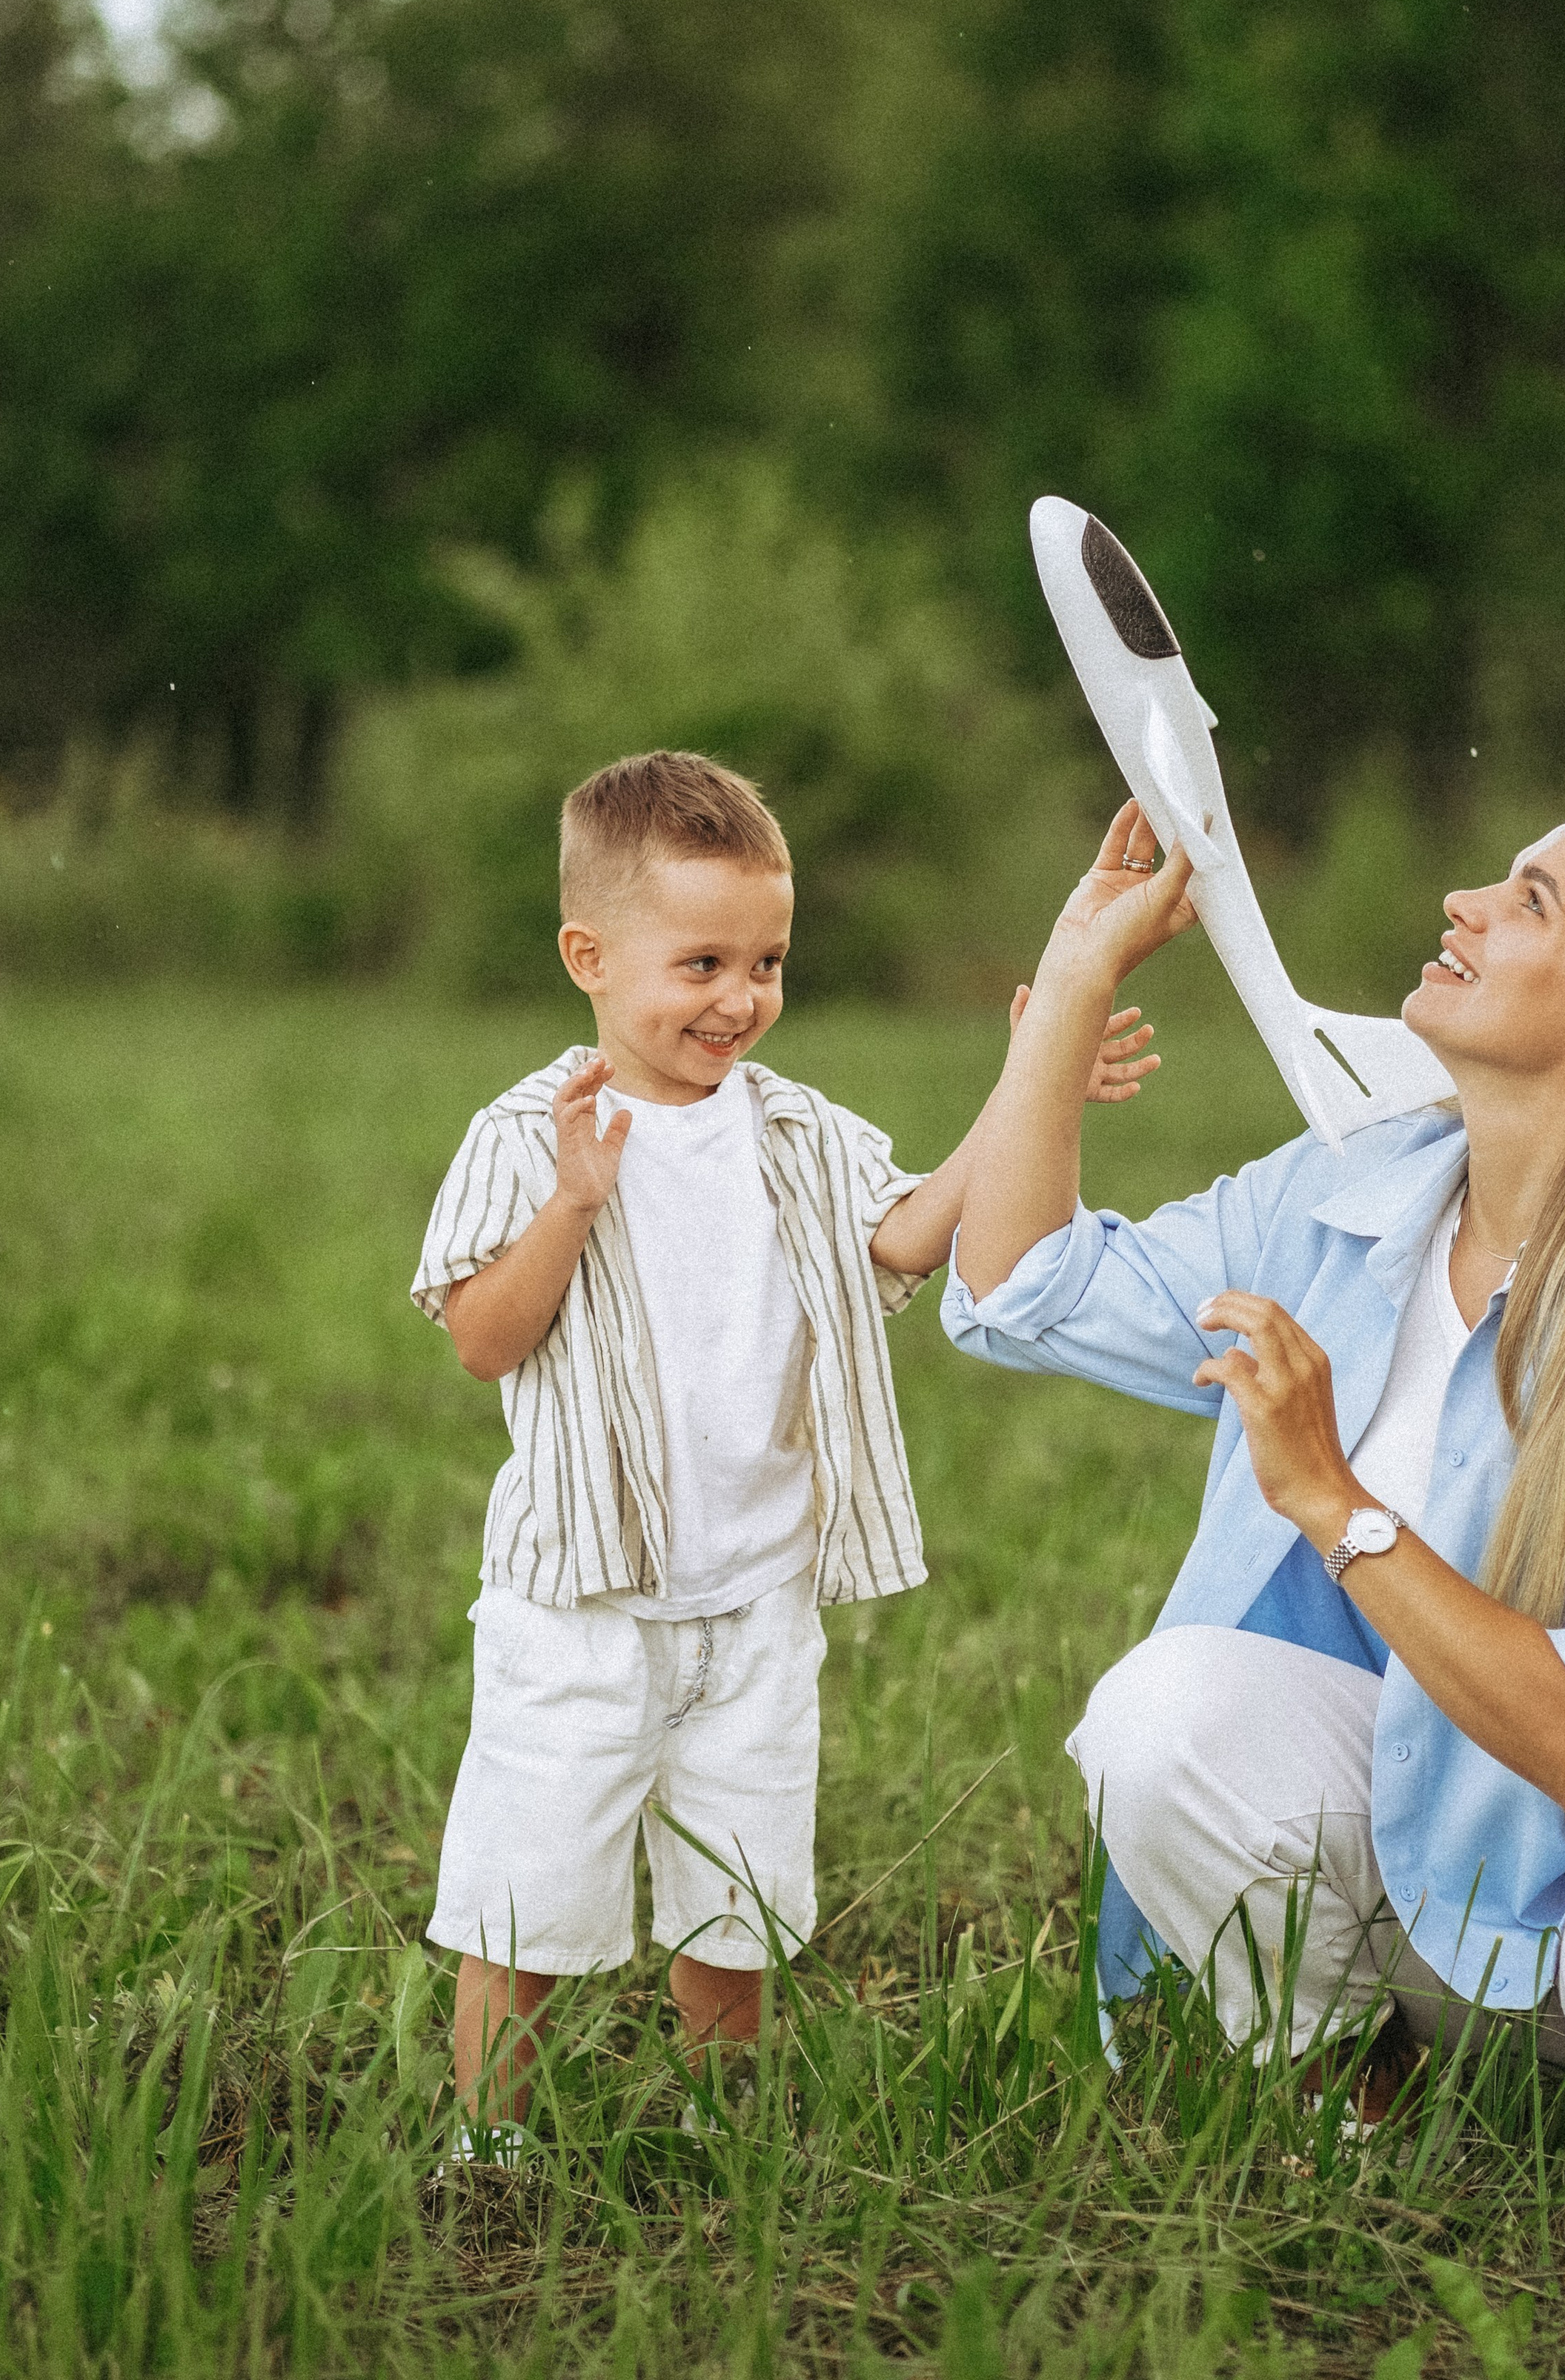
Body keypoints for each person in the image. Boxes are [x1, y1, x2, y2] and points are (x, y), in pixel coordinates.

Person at [943, 793, 1565, 2118]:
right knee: (1169, 1711)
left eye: (1531, 900)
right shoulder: (1352, 1196)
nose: (1462, 904)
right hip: (1469, 1846)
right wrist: (1080, 969)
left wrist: (1335, 1504)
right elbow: (1027, 1285)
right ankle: (1353, 2092)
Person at [413, 749, 1153, 2161]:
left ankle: (722, 2135)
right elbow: (480, 1341)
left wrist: (1031, 1081)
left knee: (736, 1893)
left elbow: (905, 1235)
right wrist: (573, 1205)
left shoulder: (796, 1128)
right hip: (584, 1607)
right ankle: (488, 2152)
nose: (739, 999)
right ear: (589, 955)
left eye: (767, 963)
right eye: (700, 962)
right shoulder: (527, 1134)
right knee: (530, 1891)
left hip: (757, 1597)